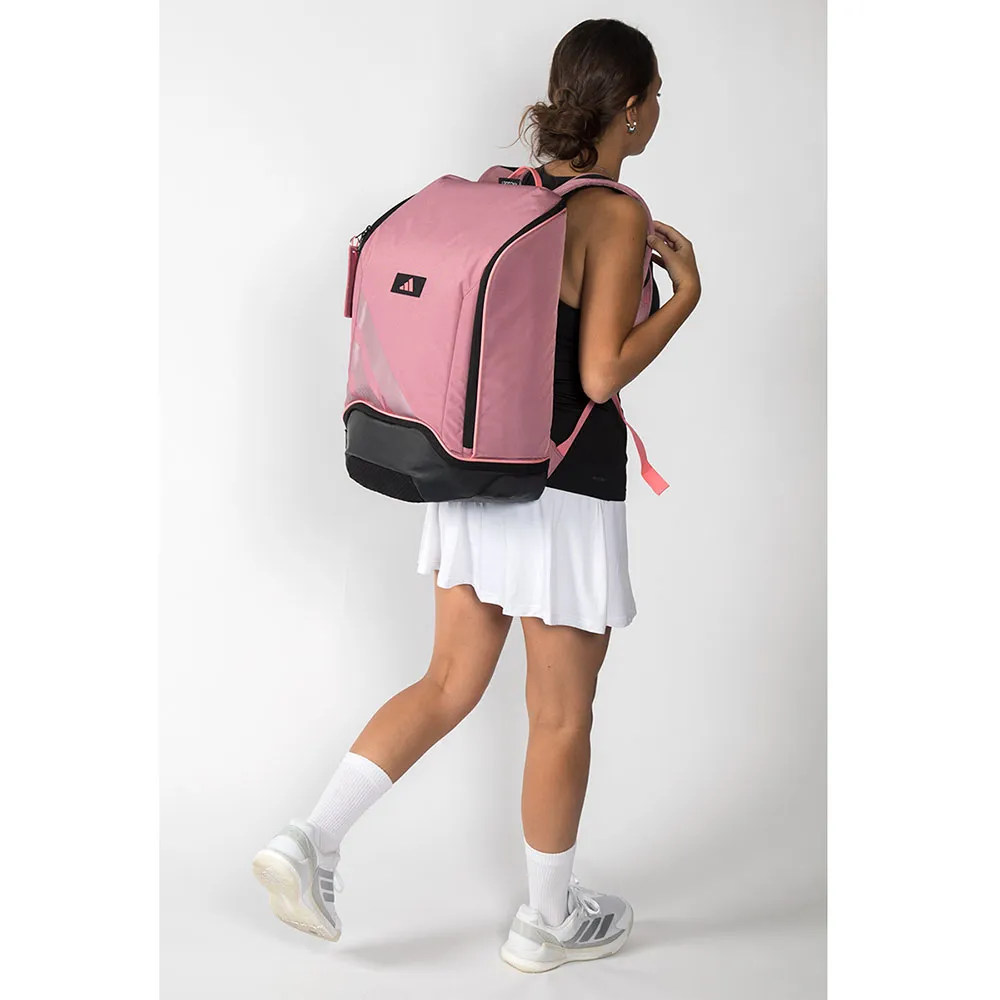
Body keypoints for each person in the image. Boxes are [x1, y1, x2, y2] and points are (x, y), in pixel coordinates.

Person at [251, 17, 701, 973]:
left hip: (476, 474)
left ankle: (309, 840)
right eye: (657, 94)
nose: (660, 109)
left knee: (449, 679)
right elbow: (602, 374)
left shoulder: (512, 193)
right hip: (564, 489)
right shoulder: (614, 214)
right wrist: (685, 298)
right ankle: (547, 923)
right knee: (561, 714)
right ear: (630, 108)